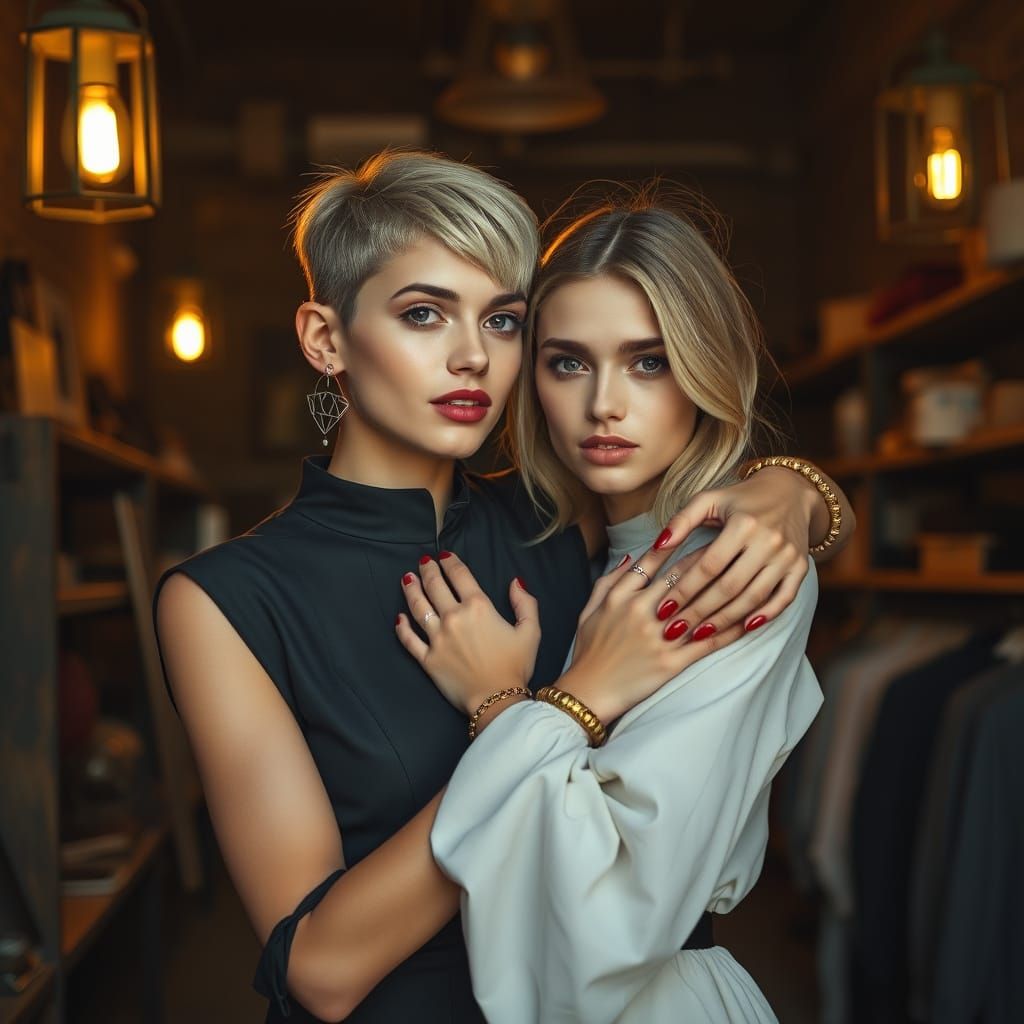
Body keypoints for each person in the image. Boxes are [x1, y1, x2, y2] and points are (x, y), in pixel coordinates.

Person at [154, 152, 851, 1023]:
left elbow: (700, 499)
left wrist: (793, 489)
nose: (472, 356)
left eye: (503, 321)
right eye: (423, 314)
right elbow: (320, 971)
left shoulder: (561, 520)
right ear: (325, 339)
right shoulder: (223, 599)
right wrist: (570, 701)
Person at [400, 187, 827, 1023]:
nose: (604, 404)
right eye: (568, 362)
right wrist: (805, 488)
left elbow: (611, 916)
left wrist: (501, 705)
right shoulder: (575, 545)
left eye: (648, 361)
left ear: (706, 367)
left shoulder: (724, 569)